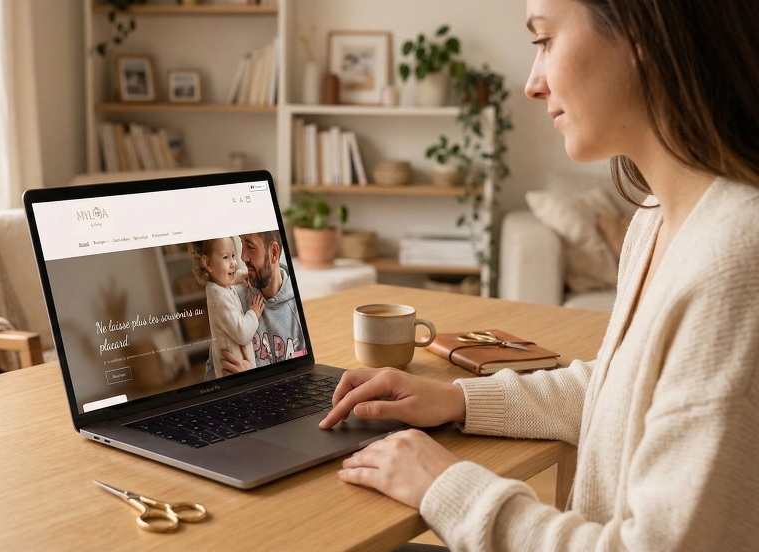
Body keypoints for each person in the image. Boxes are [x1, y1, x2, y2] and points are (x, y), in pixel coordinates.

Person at [320, 0, 759, 550]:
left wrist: (446, 485)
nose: (532, 83)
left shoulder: (736, 261)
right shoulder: (658, 218)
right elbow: (617, 391)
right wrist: (457, 399)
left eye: (545, 41)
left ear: (644, 35)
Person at [205, 230, 307, 380]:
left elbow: (304, 380)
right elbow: (211, 370)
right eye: (241, 243)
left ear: (273, 252)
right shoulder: (231, 297)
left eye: (251, 247)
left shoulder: (299, 309)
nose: (242, 257)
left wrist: (254, 378)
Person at [188, 237, 264, 378]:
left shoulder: (218, 285)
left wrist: (240, 276)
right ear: (208, 263)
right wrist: (254, 313)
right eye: (225, 257)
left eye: (233, 256)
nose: (233, 263)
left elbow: (227, 277)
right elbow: (242, 333)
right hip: (234, 375)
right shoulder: (219, 298)